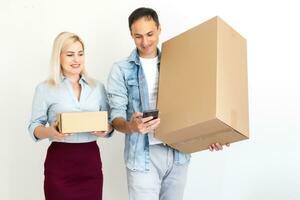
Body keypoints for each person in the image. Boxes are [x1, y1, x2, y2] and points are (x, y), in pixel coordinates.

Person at [107, 7, 229, 200]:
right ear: (131, 34)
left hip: (178, 153)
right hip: (143, 156)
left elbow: (196, 106)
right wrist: (132, 126)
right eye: (138, 36)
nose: (145, 42)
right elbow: (115, 118)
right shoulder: (120, 69)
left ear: (159, 29)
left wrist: (209, 136)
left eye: (150, 34)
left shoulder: (179, 61)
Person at [28, 32, 113, 200]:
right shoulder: (44, 88)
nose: (76, 60)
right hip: (60, 164)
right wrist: (50, 132)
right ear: (58, 56)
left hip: (90, 164)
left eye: (80, 54)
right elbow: (33, 127)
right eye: (70, 54)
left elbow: (110, 124)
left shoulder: (97, 87)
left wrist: (105, 130)